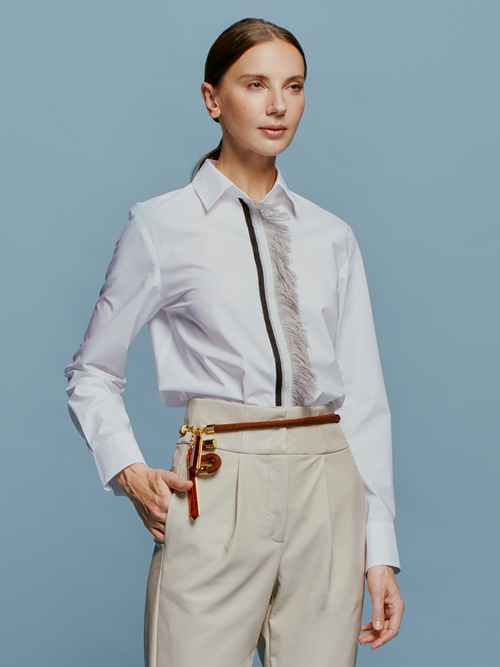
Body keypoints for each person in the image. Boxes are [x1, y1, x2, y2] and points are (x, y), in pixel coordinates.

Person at [65, 17, 404, 667]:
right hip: (219, 476)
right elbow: (91, 372)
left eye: (294, 86)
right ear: (212, 99)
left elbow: (363, 398)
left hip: (328, 485)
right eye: (255, 84)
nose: (278, 105)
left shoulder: (332, 237)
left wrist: (380, 548)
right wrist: (129, 471)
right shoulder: (161, 226)